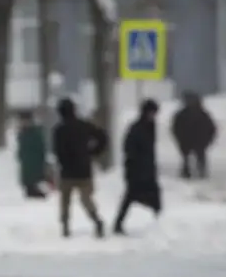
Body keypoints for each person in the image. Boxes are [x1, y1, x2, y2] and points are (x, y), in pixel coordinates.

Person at [52, 98, 107, 238]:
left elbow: (57, 150)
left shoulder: (59, 130)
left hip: (67, 171)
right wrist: (94, 152)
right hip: (84, 169)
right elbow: (102, 137)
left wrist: (62, 162)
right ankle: (96, 220)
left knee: (65, 200)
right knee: (86, 199)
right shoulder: (84, 126)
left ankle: (65, 226)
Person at [114, 99, 162, 235]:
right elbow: (129, 149)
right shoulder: (137, 128)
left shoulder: (151, 127)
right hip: (136, 170)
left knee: (153, 196)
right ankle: (118, 224)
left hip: (147, 169)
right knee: (130, 197)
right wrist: (134, 166)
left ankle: (159, 222)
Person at [170, 91, 216, 180]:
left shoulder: (183, 114)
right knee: (195, 156)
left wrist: (179, 138)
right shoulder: (202, 114)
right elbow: (211, 129)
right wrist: (207, 141)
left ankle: (189, 172)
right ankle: (197, 171)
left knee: (188, 157)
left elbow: (175, 128)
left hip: (190, 141)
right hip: (195, 141)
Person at [16, 109, 48, 198]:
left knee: (32, 175)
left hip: (34, 158)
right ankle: (30, 189)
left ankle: (33, 190)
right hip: (27, 159)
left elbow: (40, 146)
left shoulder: (34, 132)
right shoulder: (23, 132)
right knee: (27, 176)